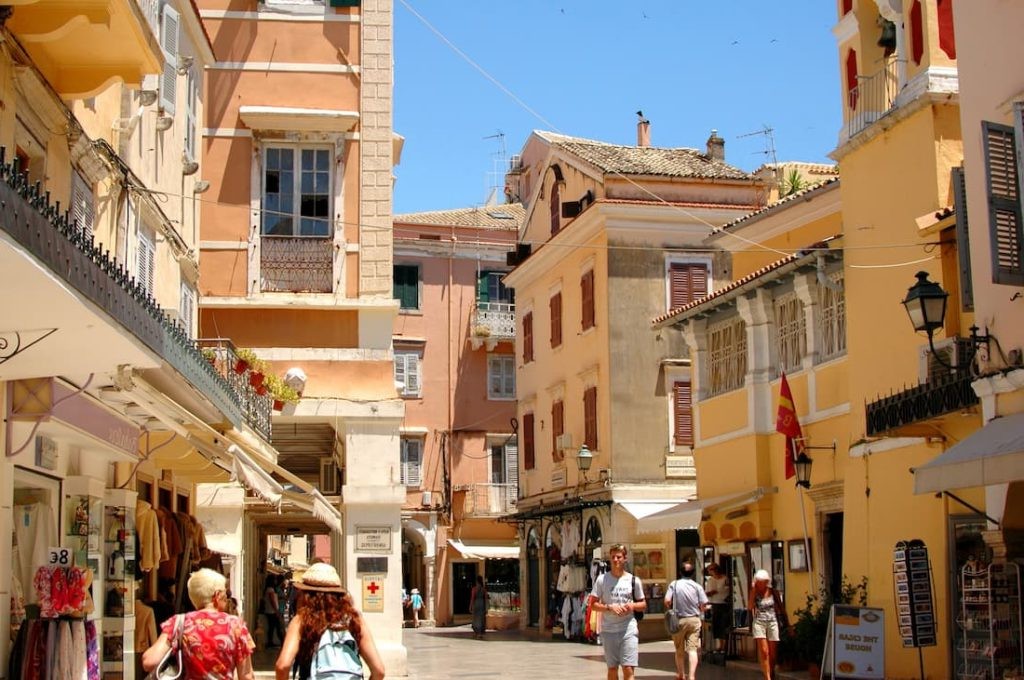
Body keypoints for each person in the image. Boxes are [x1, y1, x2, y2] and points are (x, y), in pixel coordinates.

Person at [274, 562, 385, 680]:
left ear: (306, 594)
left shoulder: (301, 620)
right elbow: (379, 671)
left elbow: (282, 666)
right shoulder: (354, 620)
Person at [142, 568, 255, 680]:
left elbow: (149, 662)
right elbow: (246, 675)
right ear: (217, 595)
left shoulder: (178, 623)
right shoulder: (235, 625)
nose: (227, 598)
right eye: (225, 593)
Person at [588, 543, 646, 680]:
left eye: (618, 557)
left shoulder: (634, 580)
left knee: (628, 668)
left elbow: (643, 604)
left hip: (628, 629)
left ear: (625, 559)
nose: (615, 560)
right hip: (609, 631)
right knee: (612, 668)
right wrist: (609, 607)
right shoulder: (602, 580)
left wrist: (631, 606)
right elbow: (593, 605)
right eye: (613, 557)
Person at [664, 562, 708, 680]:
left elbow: (667, 600)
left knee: (679, 649)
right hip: (694, 619)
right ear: (693, 573)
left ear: (680, 572)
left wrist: (672, 607)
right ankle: (692, 676)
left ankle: (681, 674)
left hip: (679, 620)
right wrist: (699, 609)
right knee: (692, 649)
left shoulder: (674, 584)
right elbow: (703, 604)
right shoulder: (697, 586)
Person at [748, 569, 790, 680]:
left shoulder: (773, 592)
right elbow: (750, 607)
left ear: (767, 581)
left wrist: (788, 625)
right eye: (759, 581)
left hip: (772, 622)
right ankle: (767, 677)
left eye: (763, 581)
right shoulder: (754, 592)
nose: (761, 583)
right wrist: (753, 591)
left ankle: (771, 671)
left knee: (773, 653)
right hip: (759, 622)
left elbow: (781, 608)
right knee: (764, 651)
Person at [704, 563, 730, 653]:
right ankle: (719, 645)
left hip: (724, 604)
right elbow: (707, 592)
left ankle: (725, 645)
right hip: (714, 603)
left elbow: (727, 590)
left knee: (724, 624)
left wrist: (716, 592)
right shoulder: (710, 580)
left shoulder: (725, 579)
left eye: (710, 570)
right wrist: (710, 593)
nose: (709, 572)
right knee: (717, 625)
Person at [263, 575, 285, 648]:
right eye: (275, 579)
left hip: (270, 611)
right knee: (277, 627)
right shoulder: (270, 590)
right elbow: (272, 601)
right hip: (272, 611)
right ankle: (282, 641)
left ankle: (271, 642)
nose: (276, 581)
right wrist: (277, 611)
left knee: (272, 627)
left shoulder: (269, 589)